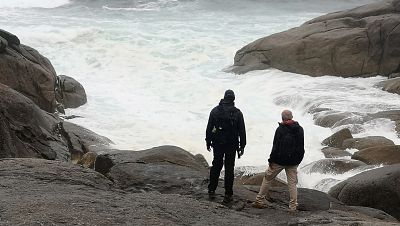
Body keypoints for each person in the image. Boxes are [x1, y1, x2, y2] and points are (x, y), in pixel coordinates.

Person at [252, 110, 304, 211]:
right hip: (293, 162)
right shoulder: (299, 129)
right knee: (292, 184)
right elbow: (301, 147)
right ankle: (293, 207)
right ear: (292, 117)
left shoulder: (280, 129)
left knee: (267, 179)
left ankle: (259, 201)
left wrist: (271, 160)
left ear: (282, 118)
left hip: (278, 161)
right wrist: (298, 160)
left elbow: (275, 147)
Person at [205, 89, 246, 203]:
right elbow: (242, 131)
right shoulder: (237, 113)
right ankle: (228, 194)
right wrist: (242, 146)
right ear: (233, 99)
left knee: (216, 166)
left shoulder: (215, 111)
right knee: (229, 169)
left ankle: (211, 190)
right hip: (231, 145)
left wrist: (208, 141)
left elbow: (209, 128)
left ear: (224, 98)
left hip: (217, 143)